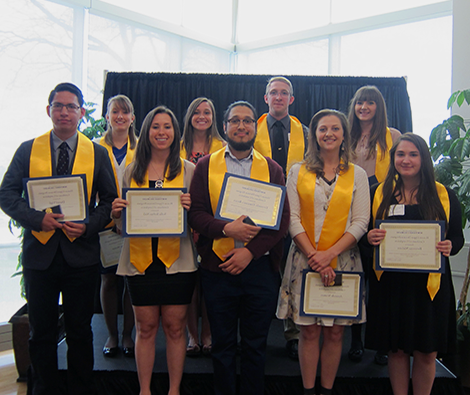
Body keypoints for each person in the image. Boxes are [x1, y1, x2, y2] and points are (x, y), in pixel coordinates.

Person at [0, 82, 117, 395]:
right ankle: (43, 389)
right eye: (58, 105)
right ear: (48, 109)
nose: (64, 112)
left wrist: (89, 226)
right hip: (41, 256)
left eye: (71, 106)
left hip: (82, 255)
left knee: (80, 330)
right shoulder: (28, 149)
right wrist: (38, 219)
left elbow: (109, 201)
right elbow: (7, 194)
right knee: (41, 332)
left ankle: (80, 389)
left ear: (81, 112)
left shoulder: (97, 152)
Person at [188, 101, 290, 395]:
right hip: (217, 267)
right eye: (235, 121)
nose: (241, 126)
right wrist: (225, 228)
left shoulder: (271, 168)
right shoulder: (206, 165)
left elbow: (280, 223)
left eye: (247, 121)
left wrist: (250, 252)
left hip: (258, 269)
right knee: (222, 346)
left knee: (256, 346)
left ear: (254, 128)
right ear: (225, 127)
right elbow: (195, 213)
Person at [277, 109, 370, 395]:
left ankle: (327, 389)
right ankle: (308, 390)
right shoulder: (297, 171)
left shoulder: (358, 174)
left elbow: (361, 221)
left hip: (343, 261)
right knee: (309, 330)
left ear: (344, 135)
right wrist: (316, 257)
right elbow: (291, 219)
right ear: (314, 135)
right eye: (322, 129)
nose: (328, 133)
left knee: (335, 331)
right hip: (305, 259)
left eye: (335, 129)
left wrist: (329, 255)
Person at [365, 133, 463, 395]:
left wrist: (450, 245)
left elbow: (457, 236)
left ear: (424, 158)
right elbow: (364, 236)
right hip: (392, 284)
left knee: (427, 352)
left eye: (413, 154)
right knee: (396, 350)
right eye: (400, 154)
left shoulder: (444, 195)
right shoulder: (378, 193)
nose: (405, 160)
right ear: (393, 158)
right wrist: (370, 237)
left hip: (429, 287)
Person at [112, 106, 197, 395]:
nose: (161, 132)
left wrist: (190, 208)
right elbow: (121, 224)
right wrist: (116, 213)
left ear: (176, 133)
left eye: (167, 127)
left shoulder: (188, 169)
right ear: (146, 131)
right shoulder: (129, 169)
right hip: (140, 259)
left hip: (178, 260)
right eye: (155, 127)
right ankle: (144, 391)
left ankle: (174, 390)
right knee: (145, 327)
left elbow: (197, 218)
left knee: (176, 327)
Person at [254, 76, 308, 360]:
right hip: (259, 212)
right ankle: (256, 333)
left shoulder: (306, 133)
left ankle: (294, 334)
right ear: (265, 98)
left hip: (296, 211)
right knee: (263, 273)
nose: (278, 97)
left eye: (283, 93)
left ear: (291, 99)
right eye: (273, 93)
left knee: (294, 272)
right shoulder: (252, 129)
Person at [347, 85, 401, 365]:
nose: (364, 107)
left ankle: (382, 343)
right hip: (352, 213)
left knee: (381, 282)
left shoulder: (393, 136)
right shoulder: (345, 135)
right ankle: (355, 341)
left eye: (370, 103)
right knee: (357, 278)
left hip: (383, 214)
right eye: (359, 103)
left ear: (379, 106)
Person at [181, 97, 226, 357]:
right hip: (180, 223)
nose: (201, 116)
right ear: (189, 116)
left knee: (210, 282)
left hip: (212, 224)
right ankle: (192, 335)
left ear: (213, 117)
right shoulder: (177, 145)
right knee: (189, 283)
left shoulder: (223, 146)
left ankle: (208, 334)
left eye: (207, 112)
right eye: (196, 111)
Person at [98, 94, 137, 358]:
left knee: (132, 280)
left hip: (137, 225)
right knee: (109, 280)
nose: (120, 116)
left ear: (133, 118)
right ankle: (112, 334)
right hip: (105, 225)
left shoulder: (143, 147)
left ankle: (127, 336)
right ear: (107, 117)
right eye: (115, 112)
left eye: (125, 112)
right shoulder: (93, 147)